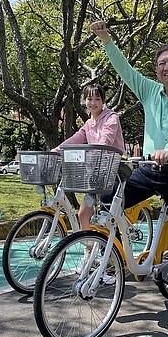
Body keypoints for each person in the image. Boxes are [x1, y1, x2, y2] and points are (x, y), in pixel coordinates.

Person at [90, 20, 168, 330]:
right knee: (108, 200)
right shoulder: (148, 90)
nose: (166, 67)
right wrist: (106, 39)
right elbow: (125, 70)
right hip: (149, 171)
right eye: (161, 64)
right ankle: (123, 247)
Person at [53, 84, 125, 231]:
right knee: (83, 214)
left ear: (103, 101)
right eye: (89, 99)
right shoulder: (88, 123)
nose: (93, 103)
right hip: (96, 171)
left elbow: (106, 139)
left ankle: (114, 249)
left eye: (97, 99)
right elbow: (76, 138)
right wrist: (58, 150)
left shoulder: (112, 118)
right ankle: (88, 248)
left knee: (109, 216)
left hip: (114, 170)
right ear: (84, 101)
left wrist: (93, 153)